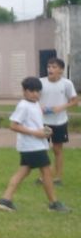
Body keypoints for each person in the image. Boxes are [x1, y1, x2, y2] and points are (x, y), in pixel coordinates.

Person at [0, 76, 70, 213]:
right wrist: (35, 133)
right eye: (31, 91)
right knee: (46, 172)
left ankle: (5, 200)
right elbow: (13, 125)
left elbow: (34, 123)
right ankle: (54, 203)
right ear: (24, 91)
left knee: (23, 171)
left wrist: (44, 130)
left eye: (38, 91)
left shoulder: (35, 104)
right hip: (32, 146)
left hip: (34, 145)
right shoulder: (23, 106)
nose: (35, 94)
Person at [39, 57, 78, 186]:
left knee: (57, 150)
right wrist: (40, 108)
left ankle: (58, 177)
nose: (50, 69)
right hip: (43, 122)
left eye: (54, 67)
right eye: (49, 67)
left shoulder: (67, 84)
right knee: (42, 150)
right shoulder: (40, 82)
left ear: (61, 70)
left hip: (60, 122)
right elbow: (34, 98)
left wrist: (61, 107)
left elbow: (74, 101)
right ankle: (43, 177)